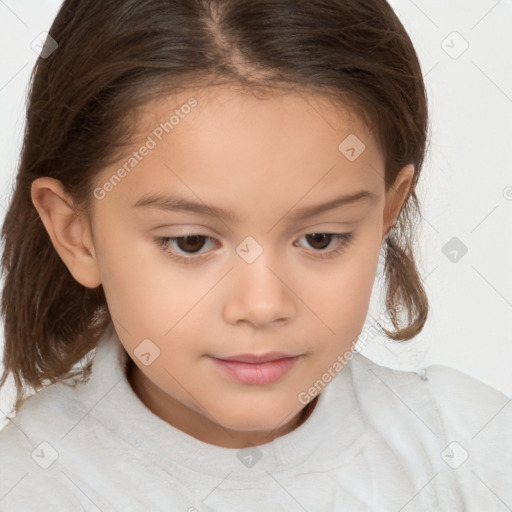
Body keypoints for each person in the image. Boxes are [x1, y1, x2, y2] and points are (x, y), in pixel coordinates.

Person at [0, 0, 510, 510]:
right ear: (76, 233)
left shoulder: (473, 450)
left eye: (320, 238)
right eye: (191, 242)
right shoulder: (26, 486)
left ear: (385, 213)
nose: (263, 305)